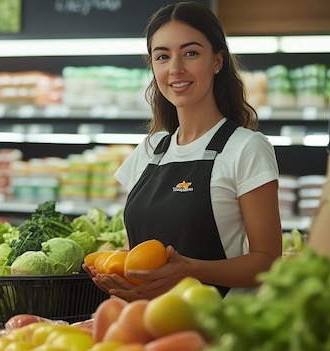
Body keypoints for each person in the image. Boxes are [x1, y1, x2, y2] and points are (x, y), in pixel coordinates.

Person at [83, 1, 282, 301]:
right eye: (162, 56)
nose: (175, 68)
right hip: (144, 325)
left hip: (215, 329)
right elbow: (134, 252)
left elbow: (268, 262)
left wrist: (190, 270)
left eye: (190, 53)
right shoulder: (150, 150)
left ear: (217, 61)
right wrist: (122, 278)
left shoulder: (246, 148)